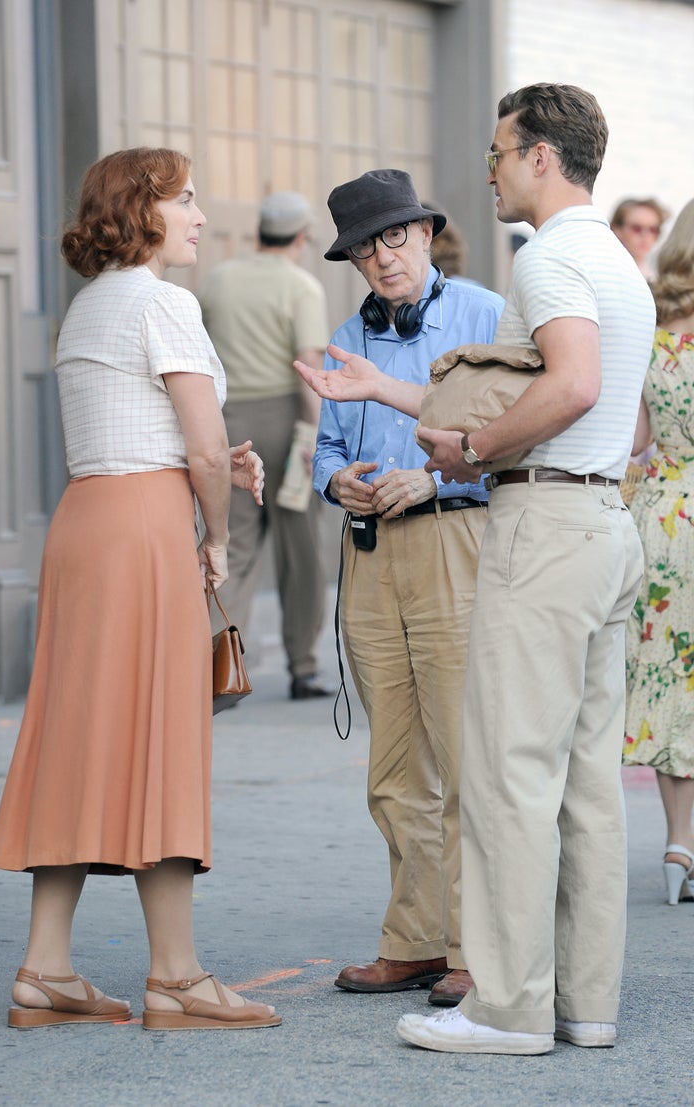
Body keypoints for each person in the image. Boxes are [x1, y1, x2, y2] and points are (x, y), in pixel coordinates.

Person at [297, 85, 656, 1054]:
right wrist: (388, 391)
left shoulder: (547, 261)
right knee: (583, 782)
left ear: (541, 156)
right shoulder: (618, 263)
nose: (489, 169)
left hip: (543, 525)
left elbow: (573, 385)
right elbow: (624, 420)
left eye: (499, 151)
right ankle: (583, 1002)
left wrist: (474, 447)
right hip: (599, 519)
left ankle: (506, 1007)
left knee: (506, 776)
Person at [0, 147, 281, 1033]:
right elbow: (197, 447)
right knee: (164, 734)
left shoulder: (87, 307)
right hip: (147, 530)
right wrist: (220, 535)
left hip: (86, 523)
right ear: (143, 211)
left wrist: (209, 466)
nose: (198, 214)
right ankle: (177, 976)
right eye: (184, 200)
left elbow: (140, 430)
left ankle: (45, 968)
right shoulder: (166, 301)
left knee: (74, 737)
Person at [307, 168, 503, 1004]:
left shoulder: (485, 314)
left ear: (426, 234)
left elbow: (513, 443)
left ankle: (476, 946)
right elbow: (320, 452)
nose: (382, 258)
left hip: (457, 542)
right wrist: (338, 484)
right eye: (364, 248)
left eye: (394, 238)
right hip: (371, 556)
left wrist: (439, 479)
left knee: (465, 758)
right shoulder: (345, 336)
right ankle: (415, 938)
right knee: (393, 766)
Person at [199, 192, 332, 701]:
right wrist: (316, 435)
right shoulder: (302, 286)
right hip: (286, 419)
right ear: (301, 237)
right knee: (301, 549)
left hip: (228, 422)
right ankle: (303, 667)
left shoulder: (217, 280)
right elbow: (306, 368)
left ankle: (217, 669)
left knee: (232, 544)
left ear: (260, 233)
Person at [623, 198, 694, 906]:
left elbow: (637, 439)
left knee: (672, 676)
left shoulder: (655, 333)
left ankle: (680, 840)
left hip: (665, 517)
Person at [610, 196, 670, 279]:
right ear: (616, 229)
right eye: (637, 228)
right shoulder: (605, 270)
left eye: (653, 230)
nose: (645, 235)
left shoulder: (659, 277)